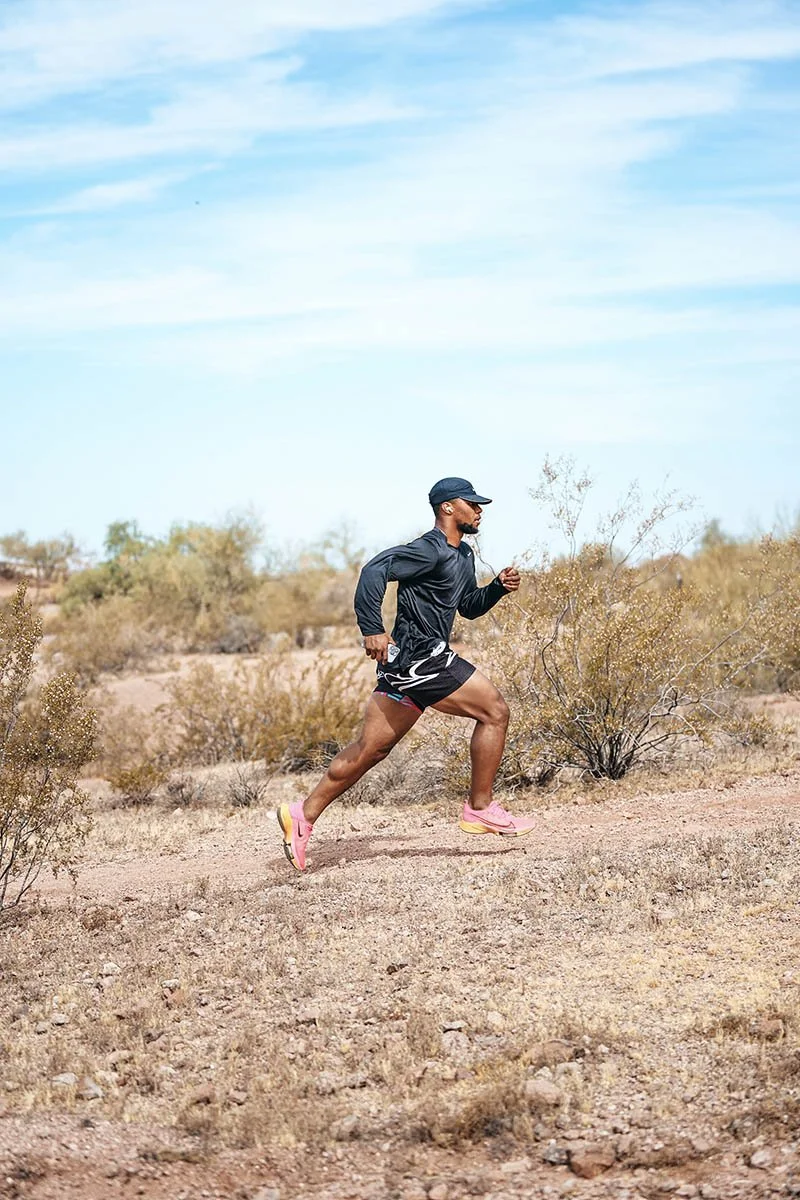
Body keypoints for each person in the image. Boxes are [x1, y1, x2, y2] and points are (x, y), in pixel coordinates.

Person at [277, 477, 535, 871]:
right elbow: (373, 570)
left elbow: (467, 606)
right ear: (448, 507)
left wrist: (497, 588)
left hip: (407, 666)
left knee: (370, 750)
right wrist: (372, 628)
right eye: (472, 503)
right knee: (495, 711)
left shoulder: (463, 555)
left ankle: (302, 814)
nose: (479, 510)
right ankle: (480, 807)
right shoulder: (428, 549)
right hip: (421, 658)